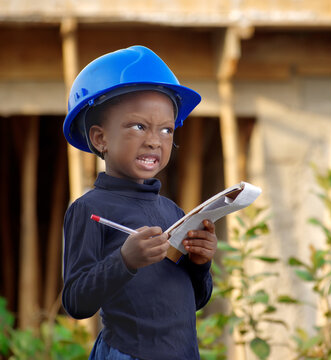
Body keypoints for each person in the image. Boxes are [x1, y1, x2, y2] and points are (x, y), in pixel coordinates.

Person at [61, 45, 217, 360]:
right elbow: (76, 301)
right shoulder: (90, 210)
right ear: (100, 138)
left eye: (166, 129)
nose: (154, 140)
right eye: (138, 126)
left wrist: (200, 264)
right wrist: (126, 260)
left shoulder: (172, 211)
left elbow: (195, 299)